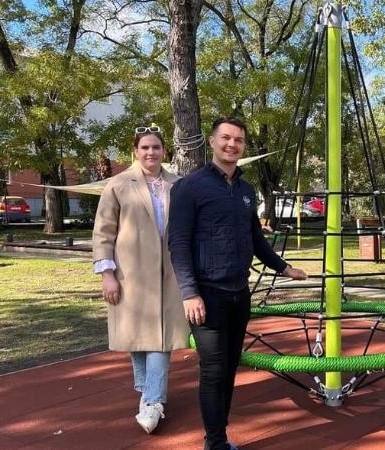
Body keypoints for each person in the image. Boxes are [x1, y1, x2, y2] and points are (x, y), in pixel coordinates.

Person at [168, 116, 307, 450]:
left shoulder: (246, 191)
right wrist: (189, 293)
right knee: (214, 369)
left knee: (230, 367)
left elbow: (255, 237)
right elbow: (178, 243)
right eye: (226, 138)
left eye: (238, 140)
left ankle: (221, 434)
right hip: (206, 295)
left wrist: (282, 266)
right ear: (213, 142)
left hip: (238, 293)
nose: (232, 145)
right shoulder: (189, 187)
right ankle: (214, 442)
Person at [92, 127, 190, 434]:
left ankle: (152, 401)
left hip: (171, 273)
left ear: (165, 151)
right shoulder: (119, 184)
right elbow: (103, 231)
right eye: (145, 147)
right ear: (136, 151)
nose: (151, 152)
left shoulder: (178, 184)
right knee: (139, 335)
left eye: (157, 147)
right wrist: (107, 274)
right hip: (131, 273)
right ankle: (146, 388)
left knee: (161, 338)